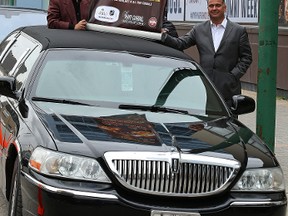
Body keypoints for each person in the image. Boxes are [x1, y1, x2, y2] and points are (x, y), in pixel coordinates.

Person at [161, 0, 252, 106]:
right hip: (205, 88)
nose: (214, 8)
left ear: (224, 7)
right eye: (211, 6)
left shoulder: (238, 30)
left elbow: (247, 58)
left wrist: (233, 75)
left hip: (228, 91)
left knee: (228, 121)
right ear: (208, 8)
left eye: (218, 5)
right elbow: (181, 43)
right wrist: (164, 36)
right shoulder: (199, 29)